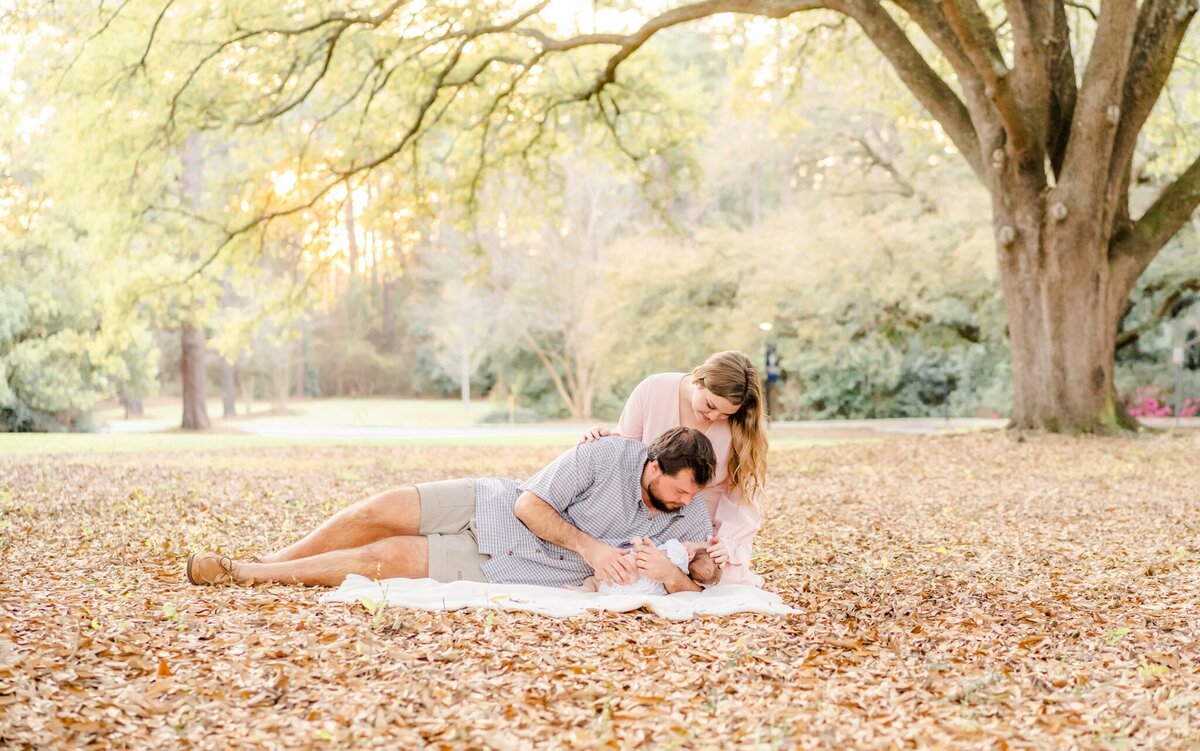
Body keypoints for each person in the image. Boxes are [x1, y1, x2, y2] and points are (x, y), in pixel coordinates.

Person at [185, 427, 717, 592]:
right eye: (681, 490)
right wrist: (591, 546)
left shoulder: (688, 514)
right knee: (380, 507)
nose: (686, 504)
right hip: (498, 505)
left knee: (387, 558)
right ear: (652, 467)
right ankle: (275, 557)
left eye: (694, 496)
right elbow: (532, 504)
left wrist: (680, 573)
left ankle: (251, 573)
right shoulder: (604, 455)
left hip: (518, 566)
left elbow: (702, 582)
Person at [581, 351, 768, 587]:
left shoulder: (737, 427)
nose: (714, 416)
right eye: (711, 405)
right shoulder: (653, 390)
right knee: (621, 573)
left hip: (700, 531)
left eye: (726, 414)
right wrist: (602, 438)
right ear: (699, 378)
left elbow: (740, 496)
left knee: (711, 577)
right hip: (646, 514)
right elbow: (624, 451)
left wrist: (726, 541)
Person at [573, 538, 721, 596]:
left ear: (692, 554)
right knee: (599, 582)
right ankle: (590, 589)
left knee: (631, 561)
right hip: (638, 591)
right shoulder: (683, 575)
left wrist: (639, 543)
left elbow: (647, 554)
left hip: (631, 574)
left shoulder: (679, 550)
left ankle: (586, 589)